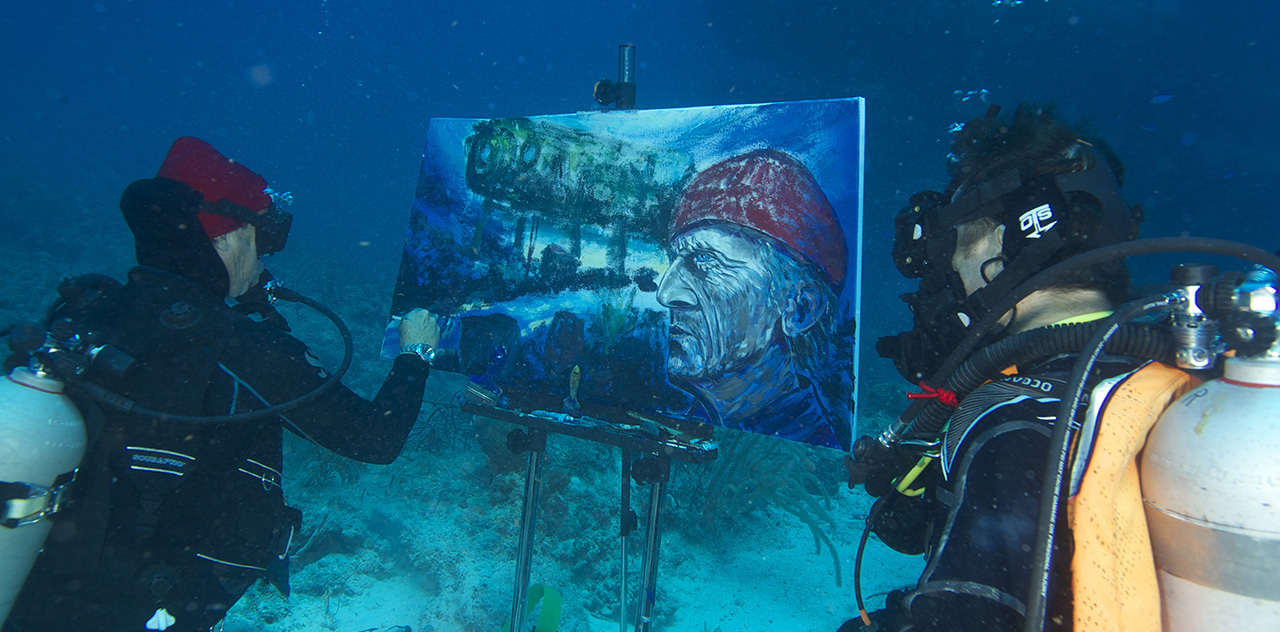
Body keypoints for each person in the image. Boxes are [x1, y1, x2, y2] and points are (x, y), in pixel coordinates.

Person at [4, 137, 441, 632]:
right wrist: (415, 354)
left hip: (40, 596)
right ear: (227, 237)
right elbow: (374, 438)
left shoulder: (92, 313)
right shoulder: (237, 346)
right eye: (264, 239)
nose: (264, 259)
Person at [848, 104, 1194, 631]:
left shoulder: (1016, 433)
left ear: (1003, 243)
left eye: (955, 244)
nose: (951, 274)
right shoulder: (1156, 360)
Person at [657, 148, 852, 450]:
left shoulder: (812, 468)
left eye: (705, 259)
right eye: (675, 260)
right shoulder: (692, 423)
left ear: (800, 309)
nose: (666, 294)